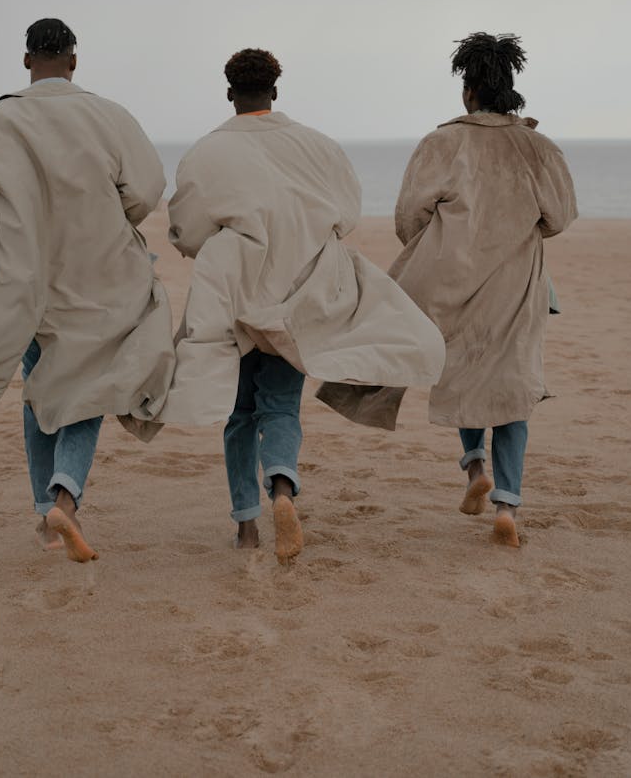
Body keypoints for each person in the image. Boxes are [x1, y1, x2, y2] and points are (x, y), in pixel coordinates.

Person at [157, 48, 445, 563]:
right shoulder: (318, 146)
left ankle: (246, 525)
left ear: (229, 93)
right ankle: (284, 490)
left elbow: (186, 227)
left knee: (239, 412)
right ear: (276, 90)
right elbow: (346, 212)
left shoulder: (205, 152)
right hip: (301, 295)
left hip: (237, 295)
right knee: (280, 405)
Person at [0, 19, 175, 561]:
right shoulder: (110, 116)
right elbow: (147, 187)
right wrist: (112, 219)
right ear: (74, 61)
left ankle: (45, 509)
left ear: (27, 61)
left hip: (21, 281)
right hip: (96, 275)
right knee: (89, 382)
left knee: (39, 386)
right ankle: (66, 496)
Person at [390, 33, 577, 547]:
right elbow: (559, 217)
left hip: (454, 279)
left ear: (468, 92)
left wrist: (441, 247)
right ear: (509, 88)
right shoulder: (537, 145)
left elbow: (410, 218)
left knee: (461, 373)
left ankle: (474, 467)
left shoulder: (441, 142)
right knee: (513, 388)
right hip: (517, 284)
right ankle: (508, 507)